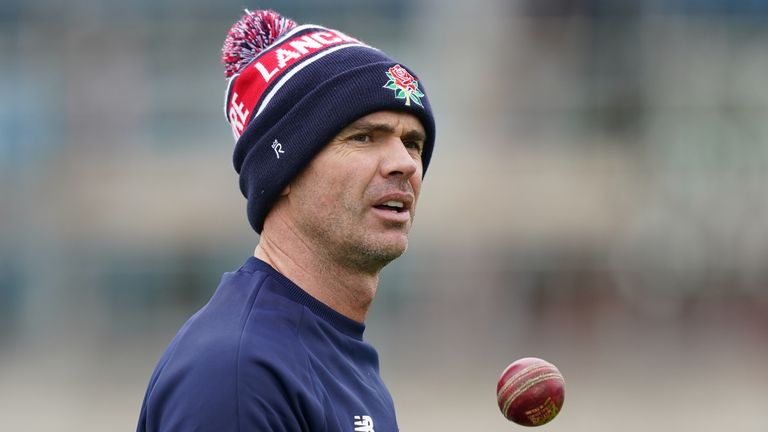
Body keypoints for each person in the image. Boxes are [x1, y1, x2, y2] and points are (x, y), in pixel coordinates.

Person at [136, 9, 436, 432]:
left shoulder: (334, 352)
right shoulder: (239, 371)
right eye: (363, 137)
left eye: (413, 143)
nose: (403, 163)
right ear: (284, 173)